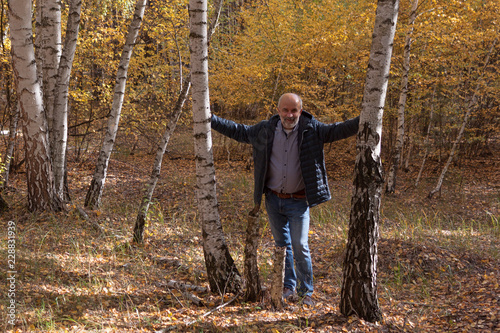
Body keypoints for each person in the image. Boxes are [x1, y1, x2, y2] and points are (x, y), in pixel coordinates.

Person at [211, 93, 359, 306]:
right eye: (285, 110)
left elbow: (339, 130)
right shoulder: (265, 129)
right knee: (282, 246)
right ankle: (288, 287)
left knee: (300, 245)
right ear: (278, 110)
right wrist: (211, 118)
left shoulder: (312, 130)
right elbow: (239, 131)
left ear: (300, 110)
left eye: (294, 110)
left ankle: (305, 292)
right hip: (273, 199)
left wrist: (366, 117)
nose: (290, 115)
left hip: (299, 201)